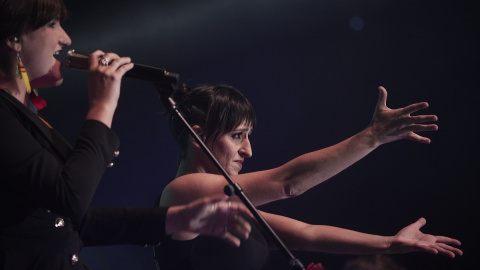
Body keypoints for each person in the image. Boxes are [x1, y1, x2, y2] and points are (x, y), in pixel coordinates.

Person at [0, 1, 253, 269]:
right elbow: (69, 197)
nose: (66, 38)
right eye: (52, 24)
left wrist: (175, 220)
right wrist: (102, 106)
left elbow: (73, 221)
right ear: (15, 38)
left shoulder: (22, 114)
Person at [154, 84, 463, 270]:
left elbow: (307, 233)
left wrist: (391, 244)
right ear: (198, 137)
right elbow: (287, 183)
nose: (248, 150)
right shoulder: (183, 191)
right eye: (237, 136)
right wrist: (372, 137)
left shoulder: (228, 207)